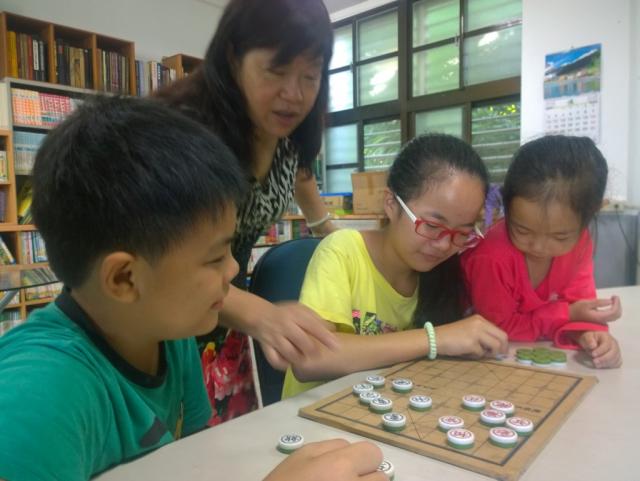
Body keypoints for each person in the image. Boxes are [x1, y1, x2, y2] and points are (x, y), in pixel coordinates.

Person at [0, 96, 385, 481]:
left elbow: (193, 464)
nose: (233, 269)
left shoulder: (166, 332)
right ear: (124, 279)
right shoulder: (36, 397)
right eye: (215, 257)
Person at [155, 0, 339, 421]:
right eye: (276, 70)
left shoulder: (287, 135)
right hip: (167, 319)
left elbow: (302, 176)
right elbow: (169, 266)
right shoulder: (185, 134)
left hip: (227, 314)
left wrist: (335, 237)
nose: (294, 94)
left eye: (310, 76)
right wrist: (261, 314)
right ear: (234, 58)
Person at [282, 134, 509, 398]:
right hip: (311, 412)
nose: (445, 245)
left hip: (385, 409)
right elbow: (310, 358)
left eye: (462, 233)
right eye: (432, 226)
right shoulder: (343, 251)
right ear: (391, 203)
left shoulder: (443, 272)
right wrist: (436, 339)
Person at [461, 135, 622, 369]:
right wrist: (568, 315)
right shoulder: (492, 256)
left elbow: (579, 303)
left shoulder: (580, 243)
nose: (539, 247)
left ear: (590, 215)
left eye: (559, 237)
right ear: (507, 205)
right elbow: (497, 328)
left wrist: (589, 335)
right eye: (522, 230)